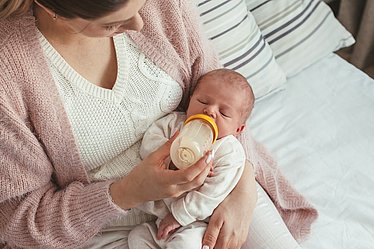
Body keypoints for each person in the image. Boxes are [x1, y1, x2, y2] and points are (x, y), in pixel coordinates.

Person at [0, 0, 316, 249]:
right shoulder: (8, 72)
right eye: (112, 23)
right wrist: (125, 193)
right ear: (52, 7)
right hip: (107, 228)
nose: (139, 23)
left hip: (216, 186)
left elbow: (227, 97)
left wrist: (243, 186)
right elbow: (21, 221)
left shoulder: (160, 5)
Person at [127, 68, 254, 248]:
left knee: (184, 245)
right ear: (189, 101)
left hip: (197, 221)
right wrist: (171, 157)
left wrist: (179, 216)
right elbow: (149, 143)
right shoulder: (173, 123)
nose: (210, 110)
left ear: (238, 129)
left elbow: (213, 193)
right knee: (137, 237)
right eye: (202, 101)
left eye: (224, 113)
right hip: (161, 217)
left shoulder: (228, 151)